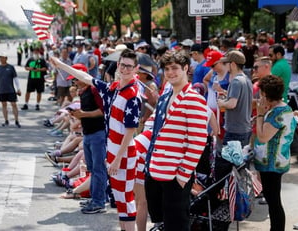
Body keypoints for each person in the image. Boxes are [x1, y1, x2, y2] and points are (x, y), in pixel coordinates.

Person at [50, 49, 141, 231]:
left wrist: (116, 159)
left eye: (128, 67)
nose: (124, 69)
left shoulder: (132, 94)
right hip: (113, 151)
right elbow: (86, 76)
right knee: (121, 203)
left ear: (135, 69)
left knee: (126, 201)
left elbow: (130, 131)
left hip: (123, 155)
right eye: (122, 65)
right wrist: (60, 65)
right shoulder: (114, 88)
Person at [144, 51, 208, 230]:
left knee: (177, 225)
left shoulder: (194, 99)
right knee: (162, 222)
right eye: (167, 69)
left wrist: (182, 175)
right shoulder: (165, 95)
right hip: (155, 170)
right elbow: (155, 128)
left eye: (175, 68)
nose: (170, 72)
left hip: (175, 175)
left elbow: (198, 141)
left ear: (186, 68)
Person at [254, 75, 297, 231]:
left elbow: (263, 136)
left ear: (266, 95)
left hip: (271, 164)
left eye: (261, 93)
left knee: (274, 202)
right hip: (278, 161)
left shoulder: (276, 114)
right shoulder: (284, 108)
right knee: (274, 201)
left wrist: (259, 115)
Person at [67, 63, 107, 215]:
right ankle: (95, 198)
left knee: (98, 169)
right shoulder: (83, 90)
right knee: (91, 168)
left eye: (76, 79)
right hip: (89, 133)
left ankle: (99, 202)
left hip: (97, 133)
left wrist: (83, 114)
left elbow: (103, 111)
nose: (75, 82)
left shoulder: (94, 89)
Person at [217, 50, 253, 147]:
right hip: (244, 128)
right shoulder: (246, 79)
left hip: (235, 131)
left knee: (228, 161)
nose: (225, 65)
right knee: (239, 161)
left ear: (232, 64)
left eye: (226, 63)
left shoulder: (236, 81)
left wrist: (221, 103)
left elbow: (232, 104)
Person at [0, 52, 21, 128]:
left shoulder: (11, 67)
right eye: (0, 58)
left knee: (14, 104)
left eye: (3, 58)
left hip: (10, 89)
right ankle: (6, 120)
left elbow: (15, 78)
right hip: (1, 90)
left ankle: (16, 120)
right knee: (4, 105)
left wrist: (18, 89)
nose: (1, 59)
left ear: (6, 58)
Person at [21, 44, 48, 111]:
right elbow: (26, 67)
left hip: (39, 78)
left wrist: (39, 70)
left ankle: (37, 104)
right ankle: (26, 104)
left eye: (37, 51)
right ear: (33, 52)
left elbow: (45, 68)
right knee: (28, 91)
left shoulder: (42, 59)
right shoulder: (30, 59)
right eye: (34, 51)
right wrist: (31, 68)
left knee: (39, 92)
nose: (36, 52)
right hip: (31, 78)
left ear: (39, 52)